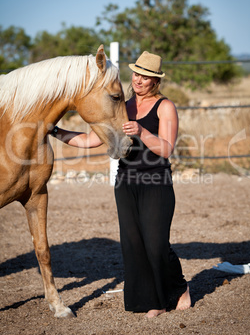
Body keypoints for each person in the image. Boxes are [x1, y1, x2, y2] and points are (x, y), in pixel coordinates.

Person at [51, 51, 191, 318]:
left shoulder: (165, 106)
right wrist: (55, 131)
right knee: (134, 244)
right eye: (137, 73)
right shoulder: (122, 107)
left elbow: (166, 149)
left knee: (156, 243)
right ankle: (154, 301)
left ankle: (177, 288)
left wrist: (142, 132)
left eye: (146, 77)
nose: (139, 80)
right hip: (125, 183)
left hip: (156, 181)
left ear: (155, 81)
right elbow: (91, 140)